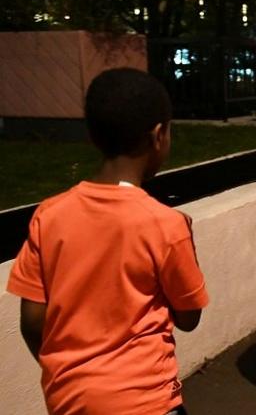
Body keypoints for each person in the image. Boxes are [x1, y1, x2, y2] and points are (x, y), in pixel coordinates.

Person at [6, 68, 209, 415]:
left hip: (70, 400)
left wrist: (73, 375)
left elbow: (32, 322)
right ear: (158, 135)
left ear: (93, 136)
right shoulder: (166, 224)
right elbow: (189, 317)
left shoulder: (49, 215)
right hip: (148, 401)